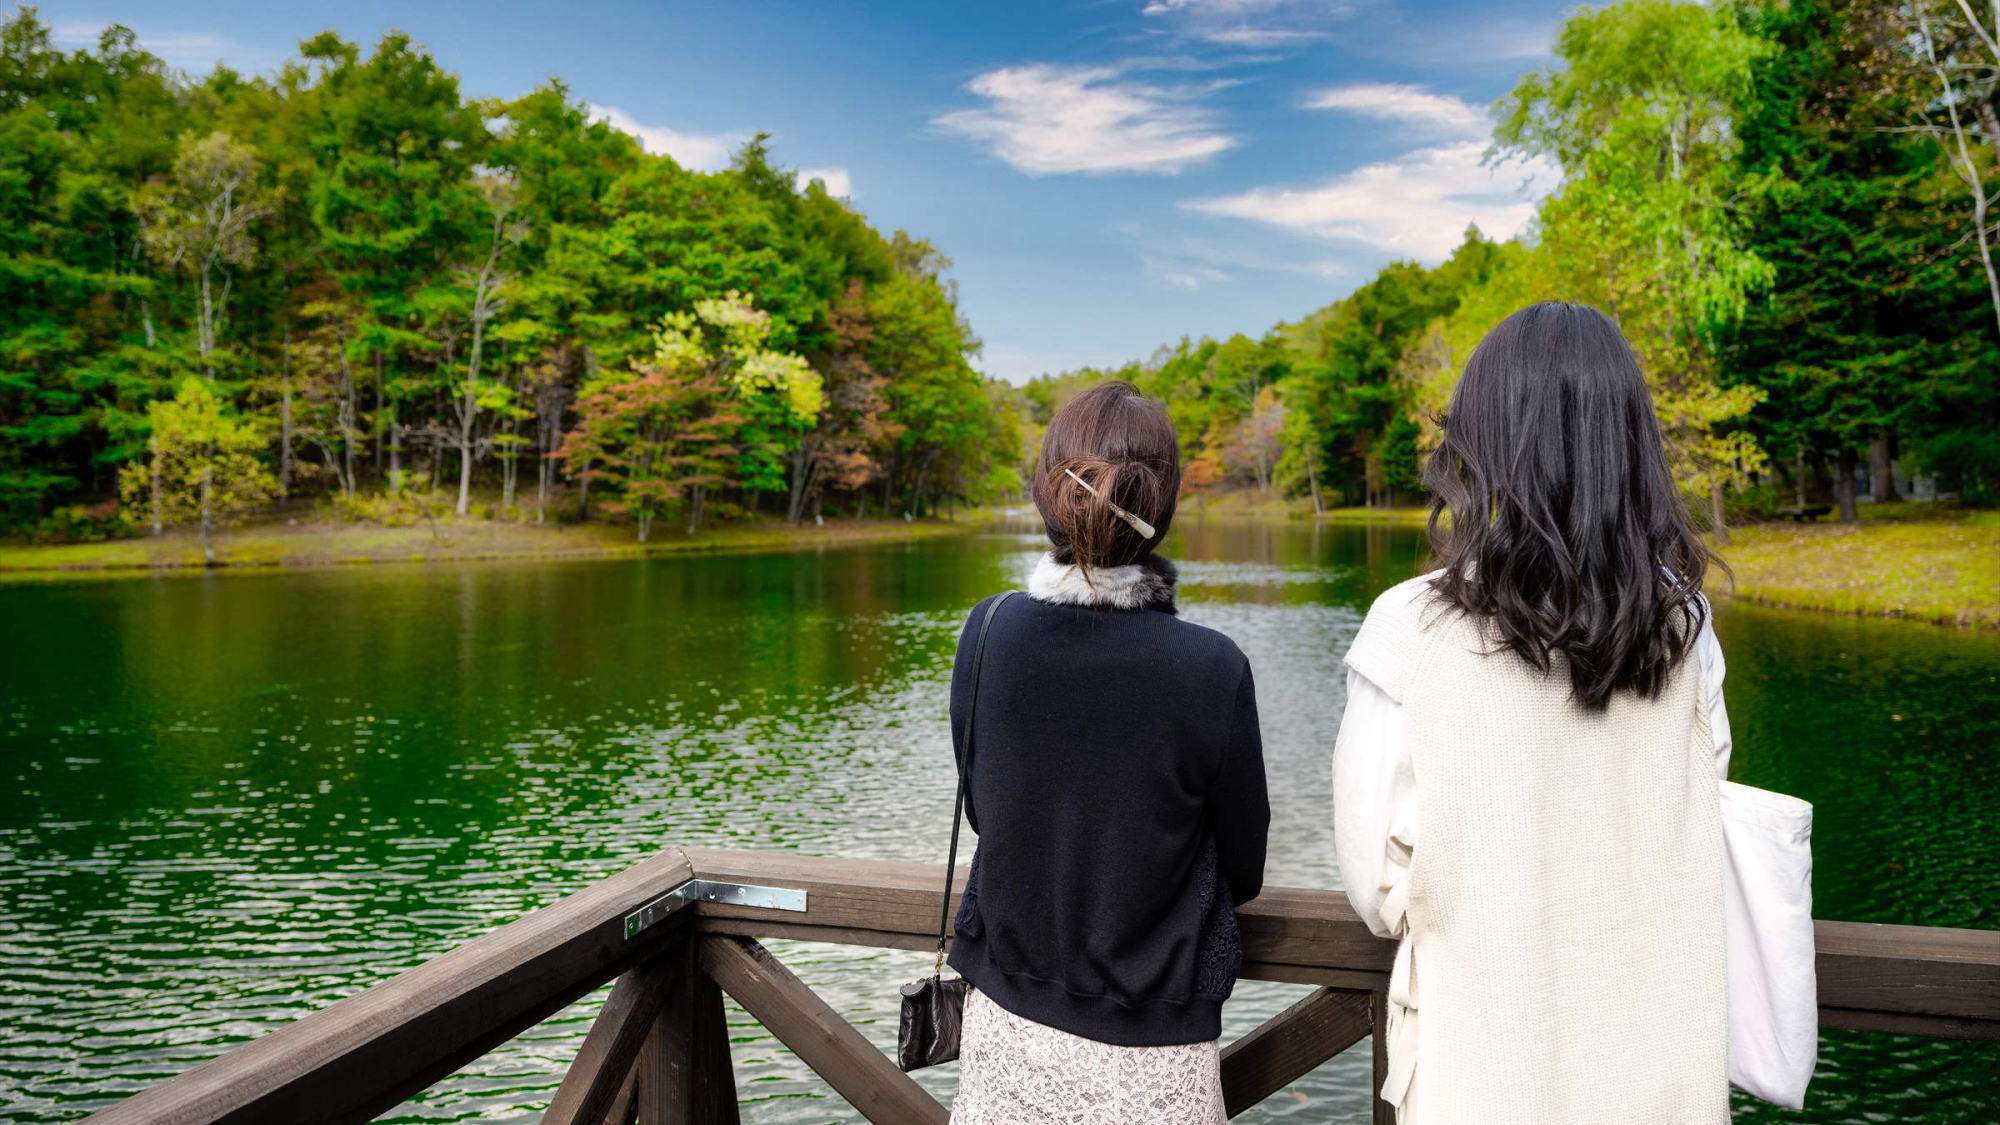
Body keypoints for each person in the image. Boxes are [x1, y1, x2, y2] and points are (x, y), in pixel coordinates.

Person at [1333, 302, 1771, 1122]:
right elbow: (1702, 804)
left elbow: (1377, 879)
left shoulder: (1410, 628)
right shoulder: (1687, 626)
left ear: (1486, 441)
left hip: (1487, 1062)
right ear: (1630, 442)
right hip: (1662, 1069)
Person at [947, 380, 1270, 1125]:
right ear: (1164, 507)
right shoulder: (1212, 667)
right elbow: (1242, 869)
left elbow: (982, 808)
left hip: (1006, 1029)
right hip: (1152, 1053)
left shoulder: (988, 630)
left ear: (1045, 494)